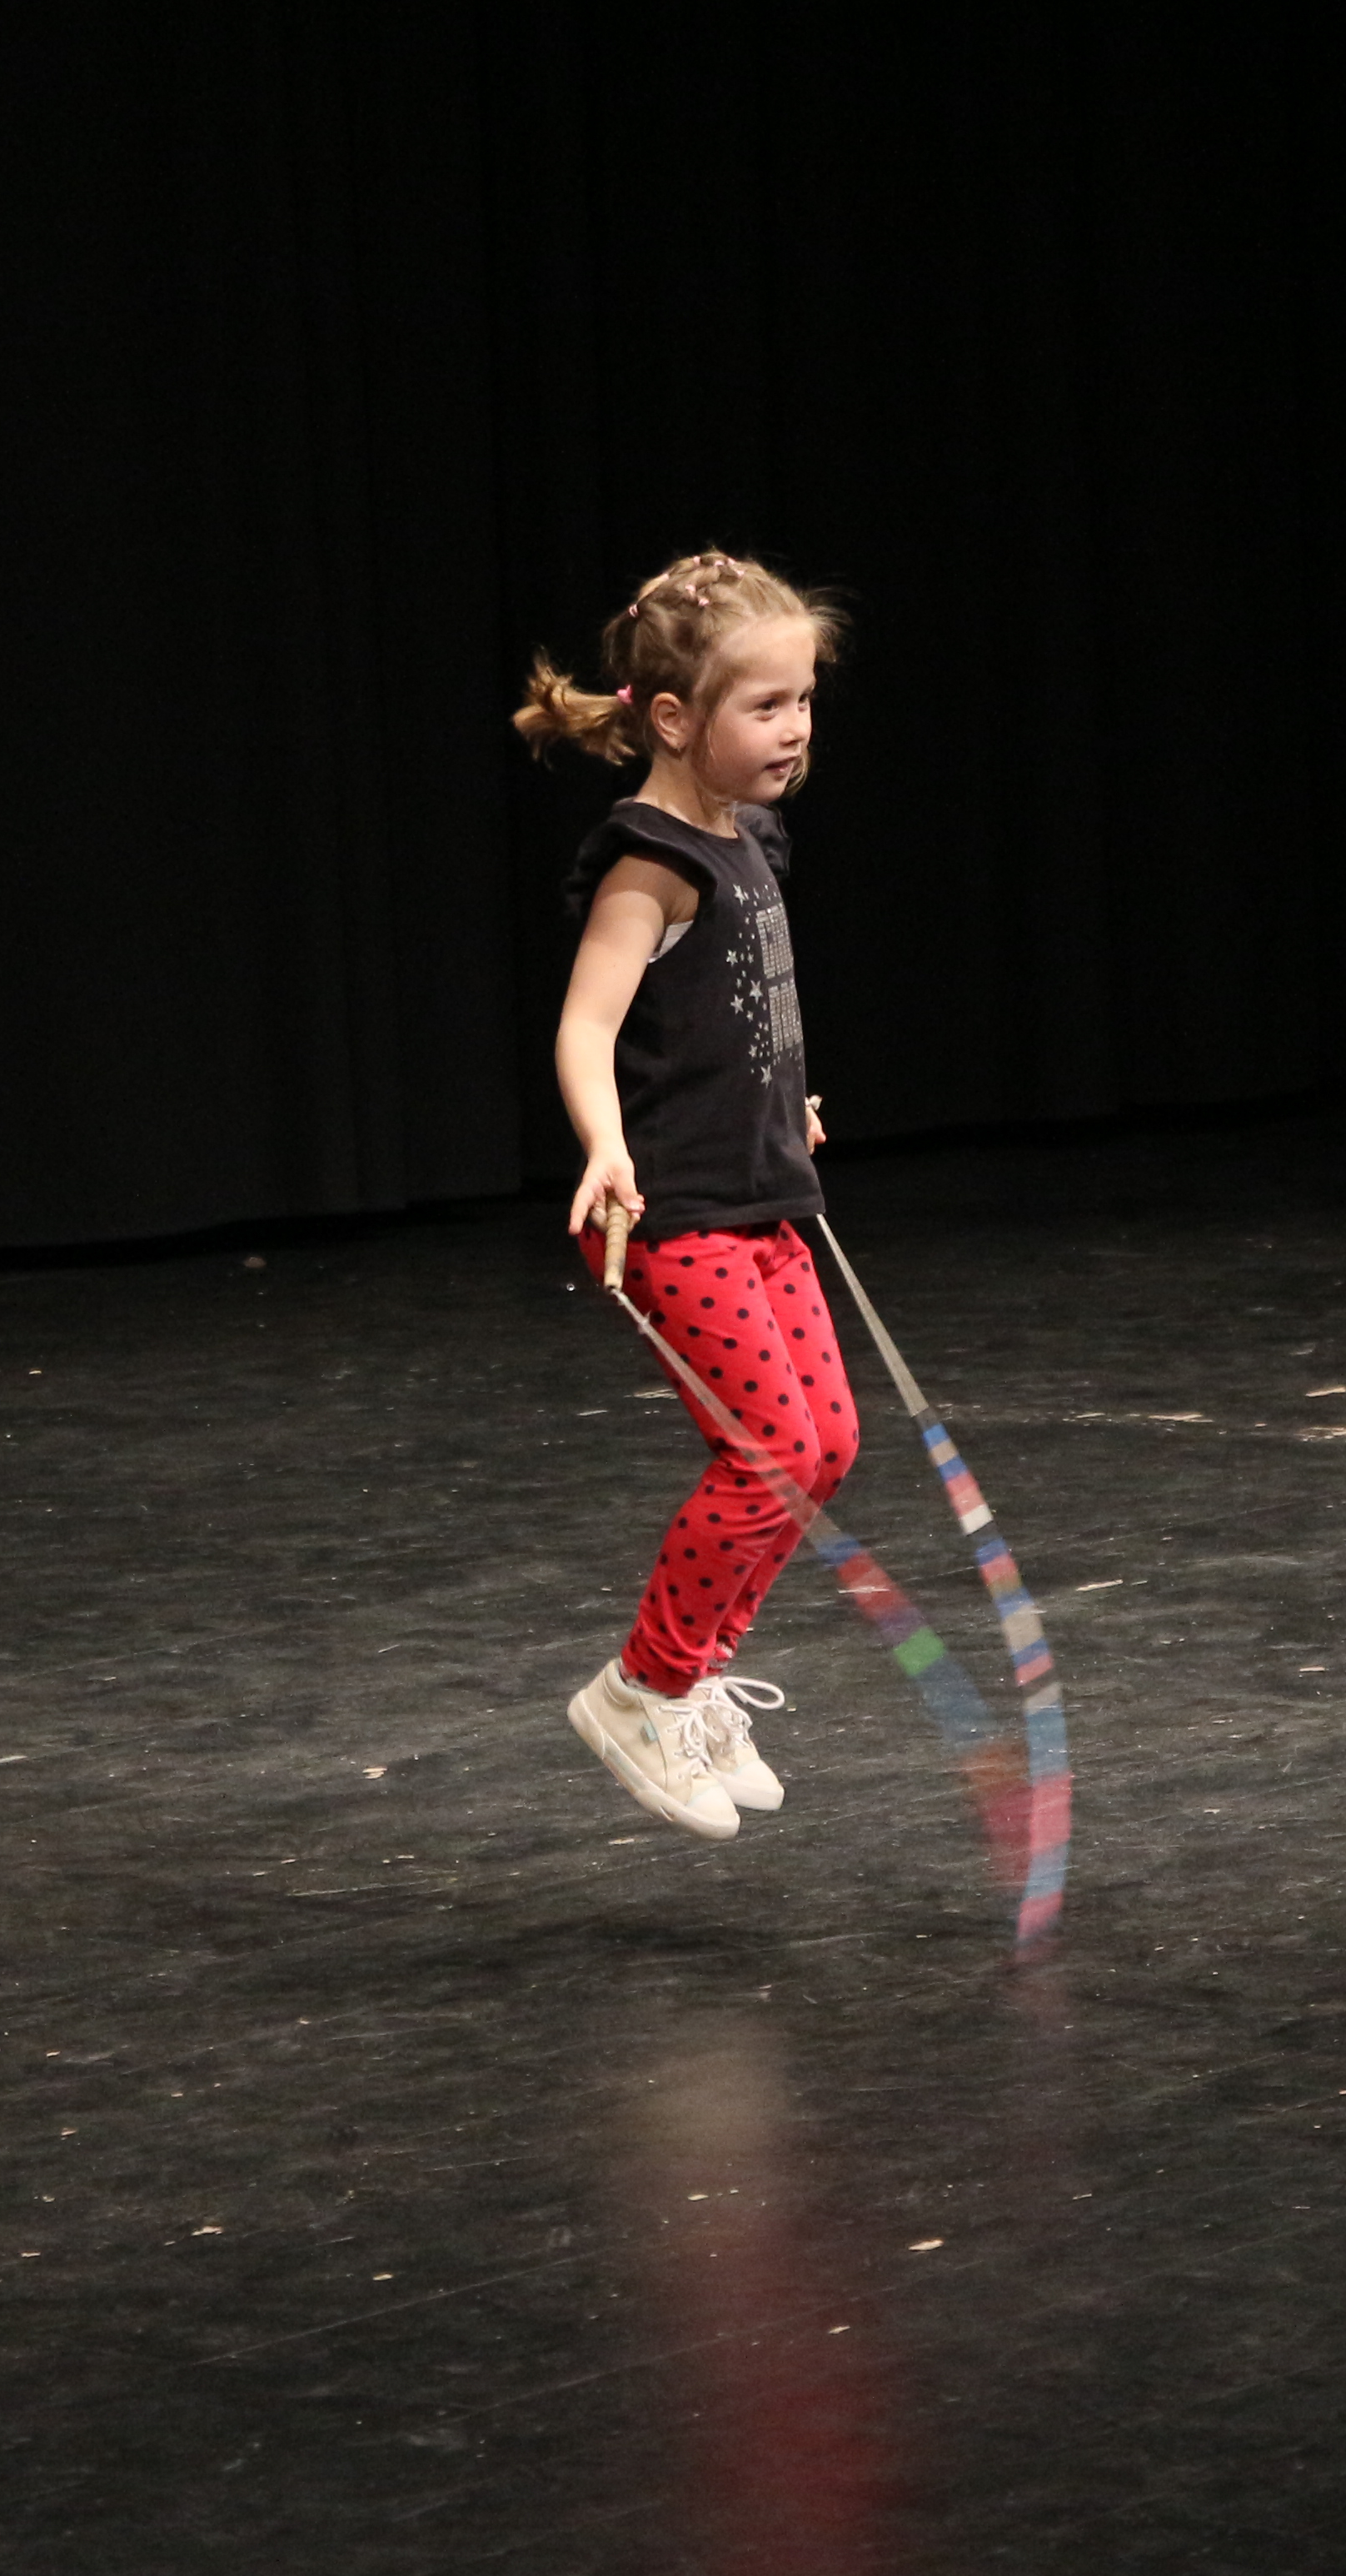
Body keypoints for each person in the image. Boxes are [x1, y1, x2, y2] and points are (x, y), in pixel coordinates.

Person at [511, 551, 855, 1841]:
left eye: (803, 700)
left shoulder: (748, 838)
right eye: (765, 706)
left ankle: (693, 1677)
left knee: (825, 1444)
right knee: (766, 1454)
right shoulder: (650, 862)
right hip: (681, 1217)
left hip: (761, 1194)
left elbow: (736, 1013)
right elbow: (588, 1025)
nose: (796, 727)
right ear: (672, 718)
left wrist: (780, 1103)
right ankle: (641, 1690)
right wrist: (605, 1146)